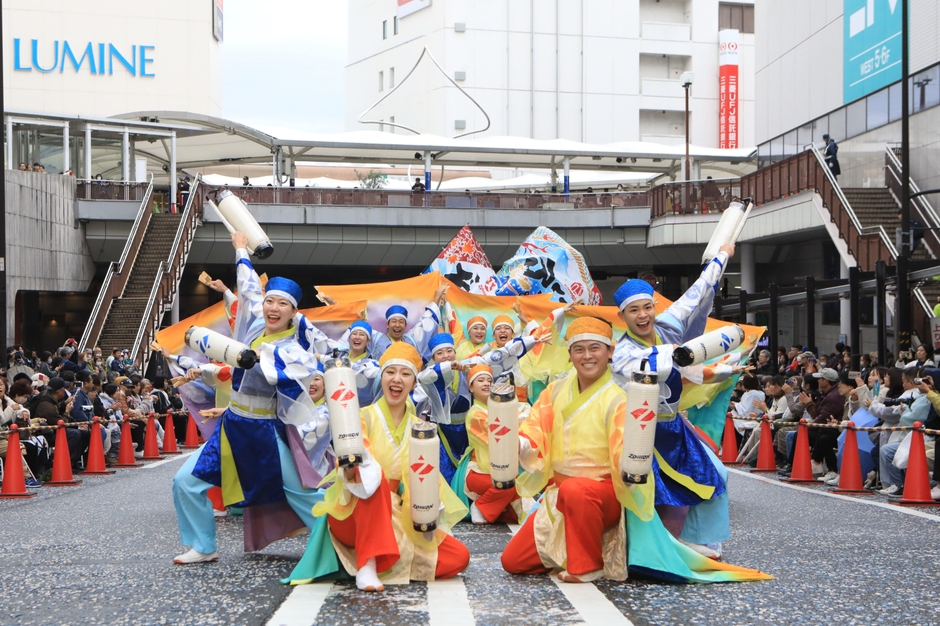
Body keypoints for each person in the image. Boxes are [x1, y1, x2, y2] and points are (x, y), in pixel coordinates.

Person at [501, 317, 770, 584]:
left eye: (595, 348)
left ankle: (587, 565)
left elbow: (627, 450)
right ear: (570, 355)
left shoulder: (621, 397)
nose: (587, 356)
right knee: (513, 561)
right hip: (560, 493)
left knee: (578, 491)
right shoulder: (553, 391)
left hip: (604, 492)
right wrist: (517, 444)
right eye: (579, 349)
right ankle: (578, 546)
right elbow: (534, 430)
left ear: (610, 352)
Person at [170, 231, 330, 565]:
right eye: (271, 301)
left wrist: (254, 357)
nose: (273, 308)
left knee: (300, 492)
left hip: (265, 431)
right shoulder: (256, 326)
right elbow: (248, 288)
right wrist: (241, 250)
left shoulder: (296, 351)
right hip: (233, 426)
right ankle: (203, 546)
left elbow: (281, 371)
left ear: (293, 312)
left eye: (282, 304)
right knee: (185, 481)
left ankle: (341, 543)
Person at [610, 243, 741, 559]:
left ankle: (700, 539)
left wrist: (722, 257)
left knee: (716, 475)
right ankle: (640, 547)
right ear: (622, 316)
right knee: (642, 489)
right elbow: (652, 364)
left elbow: (697, 292)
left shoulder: (667, 327)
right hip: (638, 431)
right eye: (634, 310)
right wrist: (681, 355)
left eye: (647, 307)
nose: (643, 315)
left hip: (673, 426)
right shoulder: (623, 352)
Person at [312, 342, 470, 591]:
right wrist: (350, 467)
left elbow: (428, 477)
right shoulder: (360, 417)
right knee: (372, 477)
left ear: (414, 383)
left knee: (459, 557)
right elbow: (353, 471)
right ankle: (367, 563)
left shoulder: (420, 427)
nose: (397, 379)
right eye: (390, 372)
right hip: (354, 512)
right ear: (381, 378)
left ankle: (390, 560)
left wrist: (429, 512)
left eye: (405, 374)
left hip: (399, 514)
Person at [461, 364, 529, 524]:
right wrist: (523, 419)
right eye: (480, 380)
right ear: (471, 388)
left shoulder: (502, 409)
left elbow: (522, 420)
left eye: (489, 381)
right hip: (479, 471)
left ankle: (496, 510)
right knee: (514, 485)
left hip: (504, 470)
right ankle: (481, 506)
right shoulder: (475, 414)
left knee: (522, 492)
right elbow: (504, 435)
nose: (486, 383)